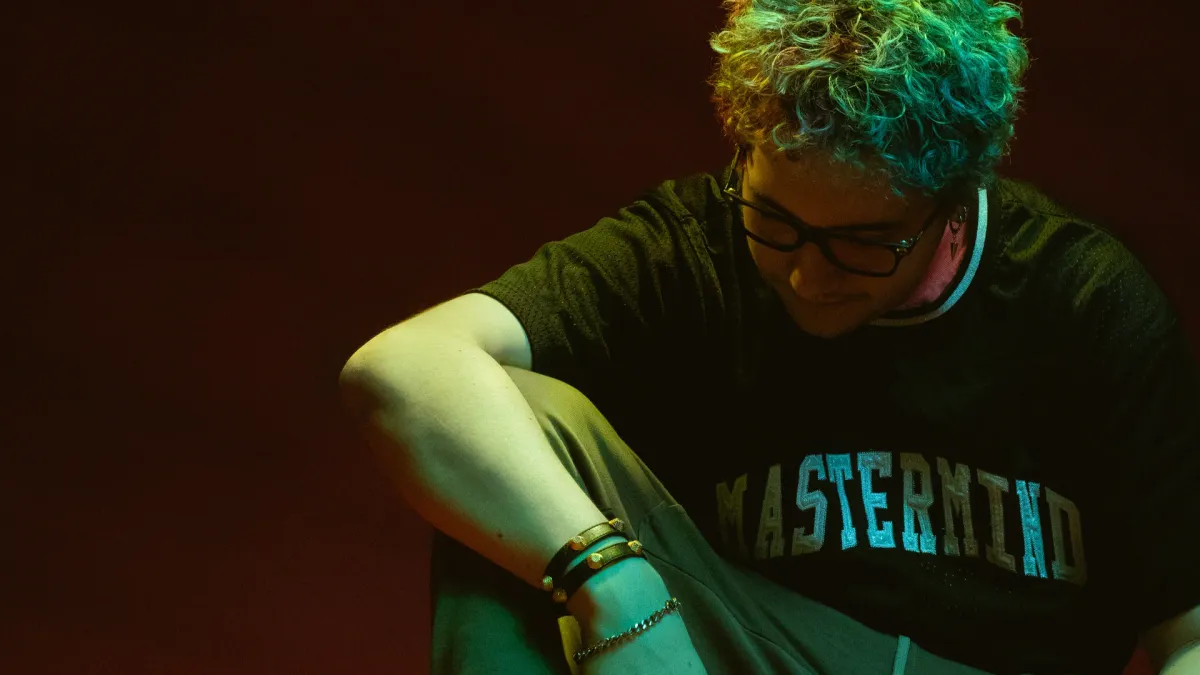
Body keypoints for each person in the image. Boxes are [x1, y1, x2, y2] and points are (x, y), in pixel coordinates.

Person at [340, 1, 1200, 673]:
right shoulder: (688, 245)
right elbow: (403, 368)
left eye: (864, 244)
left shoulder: (1087, 300)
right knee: (503, 433)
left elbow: (1190, 633)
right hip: (752, 647)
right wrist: (609, 580)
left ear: (951, 206)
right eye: (776, 223)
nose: (807, 276)